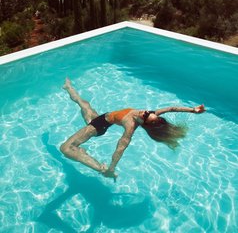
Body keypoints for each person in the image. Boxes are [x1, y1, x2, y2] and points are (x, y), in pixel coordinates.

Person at [60, 78, 205, 181]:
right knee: (84, 104)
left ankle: (100, 168)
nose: (145, 112)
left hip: (97, 127)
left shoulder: (130, 125)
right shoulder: (151, 114)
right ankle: (68, 88)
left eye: (146, 115)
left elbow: (120, 148)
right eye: (149, 112)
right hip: (102, 119)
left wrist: (111, 168)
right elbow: (172, 108)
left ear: (144, 122)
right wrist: (193, 110)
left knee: (66, 148)